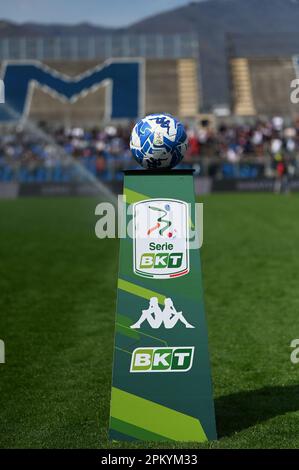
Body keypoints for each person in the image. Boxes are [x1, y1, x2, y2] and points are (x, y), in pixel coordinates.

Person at [130, 297, 194, 329]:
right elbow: (148, 311)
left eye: (150, 301)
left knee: (145, 313)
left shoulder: (162, 308)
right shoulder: (158, 308)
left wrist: (172, 306)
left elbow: (175, 313)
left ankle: (187, 324)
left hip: (164, 325)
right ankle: (138, 324)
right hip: (157, 325)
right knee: (145, 313)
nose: (150, 302)